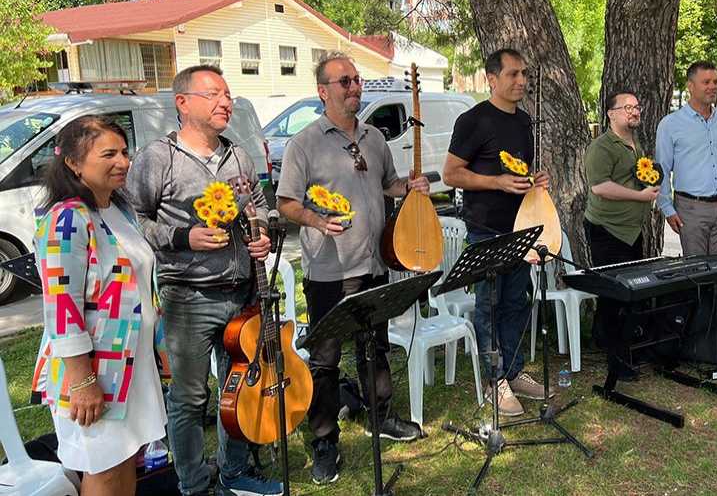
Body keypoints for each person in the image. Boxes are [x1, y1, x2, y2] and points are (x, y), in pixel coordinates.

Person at [127, 65, 278, 496]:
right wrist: (181, 236)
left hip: (243, 294)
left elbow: (260, 204)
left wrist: (261, 233)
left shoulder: (239, 154)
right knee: (191, 399)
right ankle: (194, 484)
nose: (225, 102)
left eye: (228, 94)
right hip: (188, 298)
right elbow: (134, 219)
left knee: (241, 391)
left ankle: (233, 474)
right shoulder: (158, 158)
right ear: (183, 103)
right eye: (213, 94)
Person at [276, 52, 426, 485]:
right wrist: (318, 220)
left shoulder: (375, 137)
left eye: (357, 79)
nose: (355, 87)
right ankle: (325, 440)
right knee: (325, 359)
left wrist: (408, 187)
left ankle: (381, 416)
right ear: (323, 91)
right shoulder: (303, 143)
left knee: (375, 347)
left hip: (373, 262)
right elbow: (286, 202)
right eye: (344, 81)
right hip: (329, 271)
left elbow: (386, 185)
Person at [30, 116, 166, 496]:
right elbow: (61, 307)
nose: (122, 161)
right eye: (109, 154)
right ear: (73, 162)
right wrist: (83, 382)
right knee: (102, 470)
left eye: (124, 152)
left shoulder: (117, 210)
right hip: (95, 375)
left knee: (125, 460)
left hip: (130, 368)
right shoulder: (67, 218)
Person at [443, 48, 551, 417]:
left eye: (524, 74)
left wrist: (535, 180)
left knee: (516, 302)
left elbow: (521, 170)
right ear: (492, 79)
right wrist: (497, 183)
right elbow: (451, 174)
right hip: (486, 230)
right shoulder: (473, 121)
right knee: (489, 305)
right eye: (513, 74)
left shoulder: (524, 122)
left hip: (521, 227)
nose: (521, 81)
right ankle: (494, 381)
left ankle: (514, 370)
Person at [584, 91, 658, 379]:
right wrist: (640, 197)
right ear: (610, 113)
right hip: (607, 230)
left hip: (631, 231)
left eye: (637, 106)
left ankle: (610, 342)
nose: (634, 111)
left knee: (626, 293)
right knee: (615, 296)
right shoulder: (601, 146)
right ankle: (618, 363)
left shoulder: (634, 144)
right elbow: (600, 187)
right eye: (627, 107)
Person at [655, 60, 717, 259]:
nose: (713, 87)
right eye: (706, 82)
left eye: (715, 82)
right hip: (690, 209)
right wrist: (667, 208)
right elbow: (662, 168)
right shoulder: (670, 124)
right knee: (696, 273)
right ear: (690, 86)